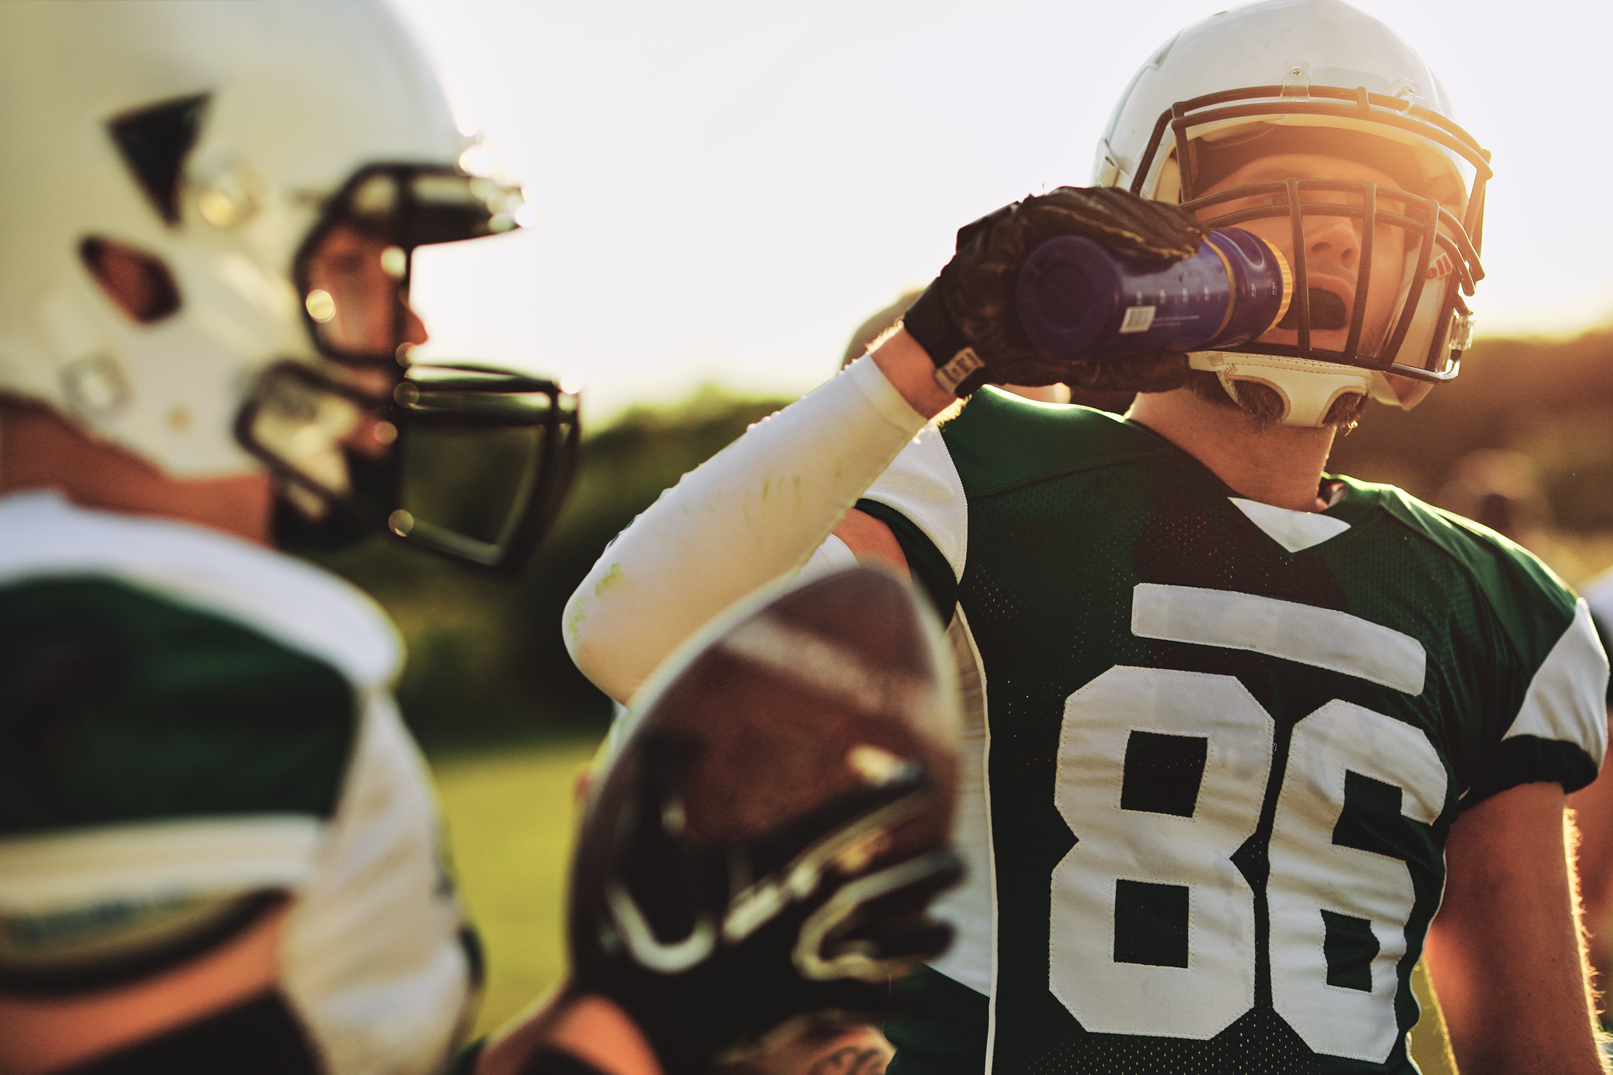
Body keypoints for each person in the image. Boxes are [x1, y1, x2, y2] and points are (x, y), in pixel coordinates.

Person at [564, 2, 1610, 1073]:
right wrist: (931, 351)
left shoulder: (1497, 607)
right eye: (1281, 169)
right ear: (1149, 209)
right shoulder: (976, 480)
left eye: (1395, 194)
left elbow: (1537, 1057)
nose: (1343, 227)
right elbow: (633, 639)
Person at [0, 4, 958, 1074]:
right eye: (352, 265)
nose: (408, 330)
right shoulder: (125, 648)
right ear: (128, 282)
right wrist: (641, 1022)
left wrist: (605, 1014)